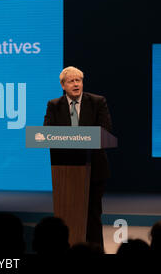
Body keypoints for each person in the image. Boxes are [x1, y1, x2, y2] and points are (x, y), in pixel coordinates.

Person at [43, 66, 113, 248]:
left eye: (78, 80)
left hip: (94, 168)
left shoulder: (97, 102)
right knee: (67, 212)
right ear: (63, 85)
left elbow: (105, 131)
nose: (76, 84)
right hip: (65, 170)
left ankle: (95, 249)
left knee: (93, 214)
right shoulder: (54, 105)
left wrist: (82, 137)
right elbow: (46, 133)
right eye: (71, 81)